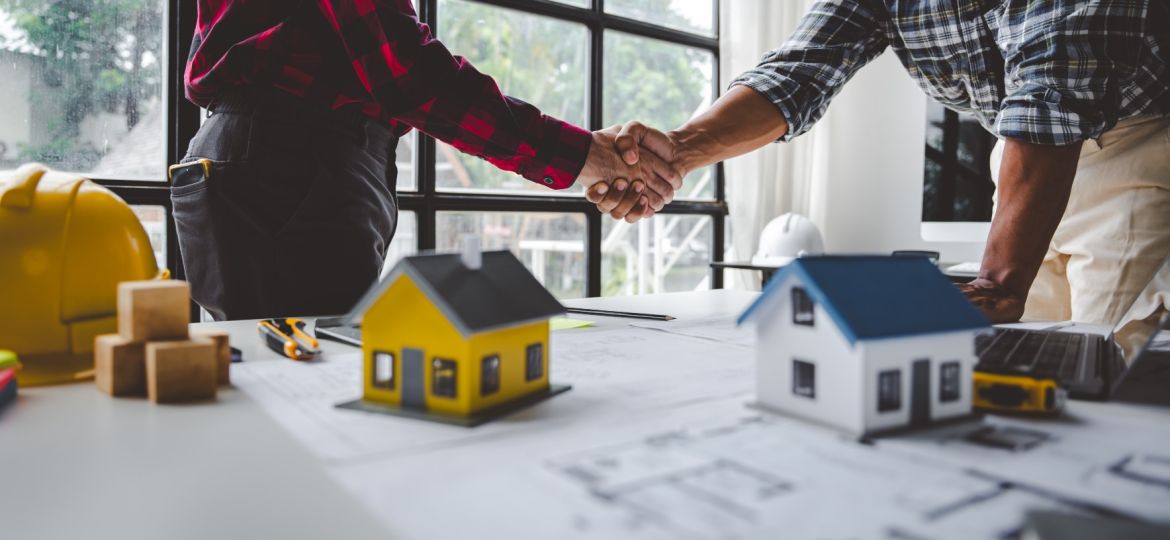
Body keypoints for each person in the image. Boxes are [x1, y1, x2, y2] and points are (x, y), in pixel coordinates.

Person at [595, 0, 1170, 324]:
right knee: (1010, 360)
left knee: (1100, 354)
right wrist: (682, 149)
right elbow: (796, 74)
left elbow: (1050, 94)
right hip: (1018, 155)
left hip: (1134, 146)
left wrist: (996, 281)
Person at [176, 0, 681, 321]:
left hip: (250, 154)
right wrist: (580, 154)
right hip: (292, 163)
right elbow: (404, 69)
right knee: (308, 384)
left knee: (272, 377)